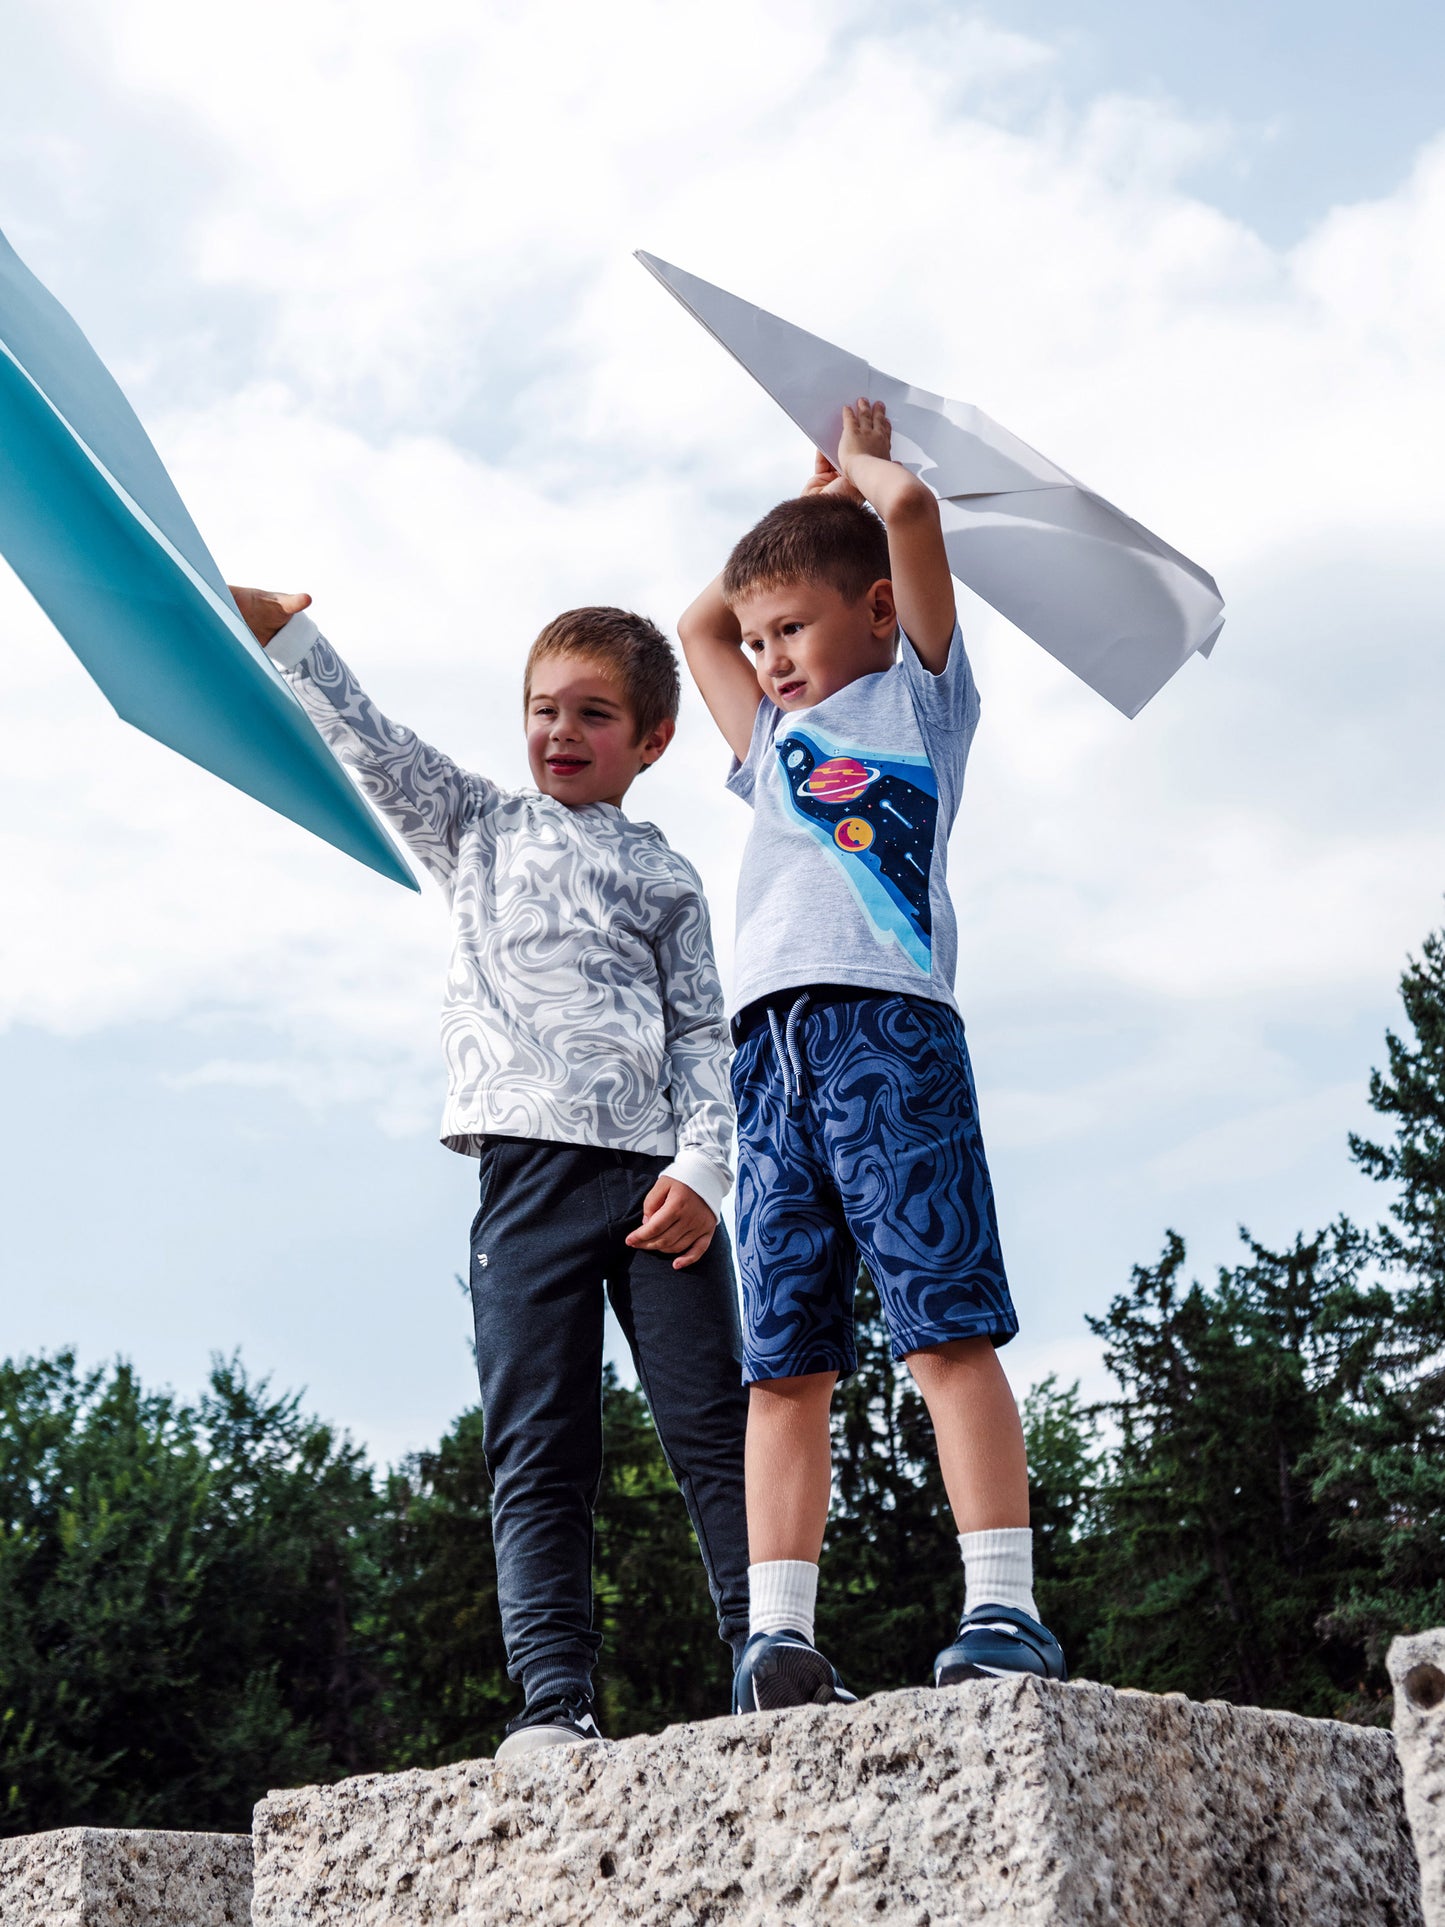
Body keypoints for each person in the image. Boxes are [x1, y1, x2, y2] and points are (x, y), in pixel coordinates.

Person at [231, 588, 750, 1757]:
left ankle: (766, 1652)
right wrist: (289, 638)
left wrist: (707, 1169)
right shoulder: (476, 826)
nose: (560, 732)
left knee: (712, 1424)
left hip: (659, 1190)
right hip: (523, 1192)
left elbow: (706, 1038)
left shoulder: (667, 875)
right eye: (541, 710)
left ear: (652, 740)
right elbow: (372, 740)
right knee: (538, 1442)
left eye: (593, 715)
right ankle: (552, 1700)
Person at [677, 399, 1066, 1713]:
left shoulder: (919, 704)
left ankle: (1002, 1605)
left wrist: (852, 482)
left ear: (877, 615)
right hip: (768, 1051)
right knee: (782, 1359)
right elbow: (695, 627)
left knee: (942, 1324)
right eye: (762, 637)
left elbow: (908, 518)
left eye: (792, 628)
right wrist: (792, 506)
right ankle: (776, 1637)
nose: (767, 654)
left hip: (886, 1037)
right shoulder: (770, 750)